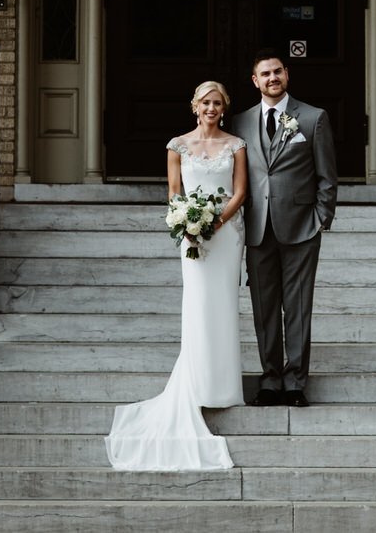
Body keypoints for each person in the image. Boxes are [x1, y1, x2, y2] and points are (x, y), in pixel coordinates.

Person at [104, 81, 247, 470]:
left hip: (227, 236)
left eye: (218, 103)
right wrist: (188, 223)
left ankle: (224, 387)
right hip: (192, 236)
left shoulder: (236, 145)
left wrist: (217, 221)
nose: (212, 108)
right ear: (194, 106)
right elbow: (173, 191)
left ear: (224, 108)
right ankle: (198, 382)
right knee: (198, 306)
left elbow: (239, 192)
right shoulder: (176, 145)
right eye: (206, 102)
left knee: (223, 307)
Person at [234, 49, 337, 408]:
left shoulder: (312, 118)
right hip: (258, 230)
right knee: (264, 309)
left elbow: (327, 176)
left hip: (300, 228)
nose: (272, 78)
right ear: (255, 81)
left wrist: (321, 218)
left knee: (297, 307)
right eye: (265, 74)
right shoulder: (241, 123)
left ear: (287, 75)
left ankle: (295, 382)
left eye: (277, 71)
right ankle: (269, 380)